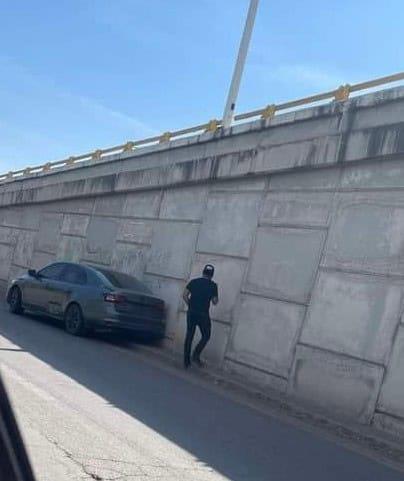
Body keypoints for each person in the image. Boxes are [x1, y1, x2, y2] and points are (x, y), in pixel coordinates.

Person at [182, 264, 218, 369]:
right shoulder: (213, 285)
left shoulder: (194, 282)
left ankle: (186, 362)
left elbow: (184, 295)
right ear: (212, 275)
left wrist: (191, 305)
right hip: (203, 314)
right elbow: (215, 301)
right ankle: (196, 354)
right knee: (206, 336)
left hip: (192, 312)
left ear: (203, 272)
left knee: (189, 336)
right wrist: (214, 297)